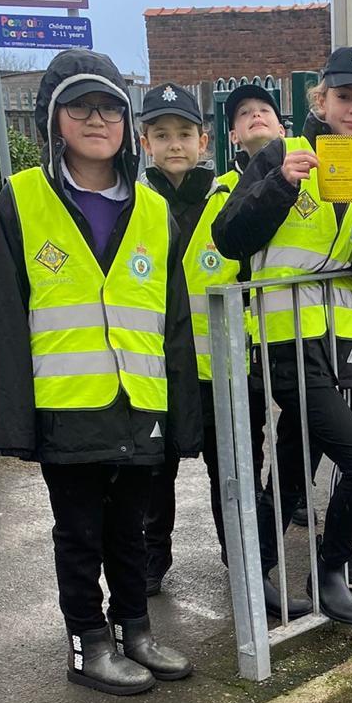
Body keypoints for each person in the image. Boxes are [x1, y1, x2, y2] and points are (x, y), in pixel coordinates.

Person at [0, 49, 200, 696]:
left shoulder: (152, 207)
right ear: (55, 120)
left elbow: (175, 323)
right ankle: (88, 644)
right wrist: (15, 424)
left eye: (107, 106)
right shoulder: (22, 200)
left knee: (130, 530)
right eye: (79, 107)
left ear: (125, 122)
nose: (95, 119)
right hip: (68, 406)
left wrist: (182, 417)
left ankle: (134, 630)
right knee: (79, 533)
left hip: (139, 403)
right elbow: (4, 316)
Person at [213, 47, 352, 625]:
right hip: (283, 341)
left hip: (337, 342)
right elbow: (230, 237)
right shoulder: (283, 153)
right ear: (321, 100)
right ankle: (331, 569)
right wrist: (281, 185)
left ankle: (253, 568)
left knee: (294, 468)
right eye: (344, 97)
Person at [137, 83, 244, 595]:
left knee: (234, 470)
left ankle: (242, 559)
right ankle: (152, 559)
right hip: (158, 370)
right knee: (155, 472)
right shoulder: (134, 203)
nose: (174, 144)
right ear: (144, 143)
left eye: (184, 134)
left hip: (218, 369)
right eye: (162, 134)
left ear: (204, 141)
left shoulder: (227, 198)